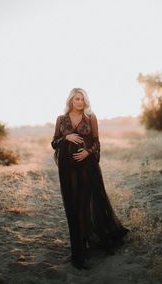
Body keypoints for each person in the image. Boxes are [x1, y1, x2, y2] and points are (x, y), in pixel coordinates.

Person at [51, 88, 130, 270]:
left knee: (85, 205)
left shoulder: (90, 117)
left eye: (82, 99)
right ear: (71, 100)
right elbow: (53, 143)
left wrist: (88, 152)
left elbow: (96, 142)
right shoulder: (61, 119)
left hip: (87, 167)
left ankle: (87, 240)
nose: (80, 102)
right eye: (77, 99)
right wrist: (65, 137)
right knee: (72, 206)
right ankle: (78, 249)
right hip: (67, 169)